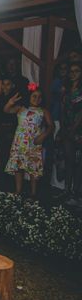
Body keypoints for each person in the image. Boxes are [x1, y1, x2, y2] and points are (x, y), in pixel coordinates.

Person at [4, 85, 54, 197]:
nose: (37, 99)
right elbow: (6, 110)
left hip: (34, 142)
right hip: (19, 142)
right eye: (34, 96)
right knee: (18, 167)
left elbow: (51, 126)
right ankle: (18, 190)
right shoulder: (21, 108)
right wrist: (10, 102)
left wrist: (43, 136)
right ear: (28, 97)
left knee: (33, 168)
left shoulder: (43, 111)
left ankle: (33, 193)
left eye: (40, 97)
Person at [60, 61, 82, 203]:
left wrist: (74, 129)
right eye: (71, 71)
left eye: (76, 71)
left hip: (79, 130)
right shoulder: (66, 90)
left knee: (78, 163)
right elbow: (62, 110)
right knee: (68, 161)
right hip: (67, 129)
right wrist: (63, 129)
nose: (73, 73)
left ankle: (76, 193)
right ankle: (66, 190)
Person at [0, 78, 17, 170]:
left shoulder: (15, 98)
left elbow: (14, 115)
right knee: (1, 152)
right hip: (0, 127)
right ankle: (3, 172)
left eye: (8, 84)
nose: (5, 86)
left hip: (10, 127)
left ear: (12, 85)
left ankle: (10, 174)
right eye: (4, 84)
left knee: (10, 152)